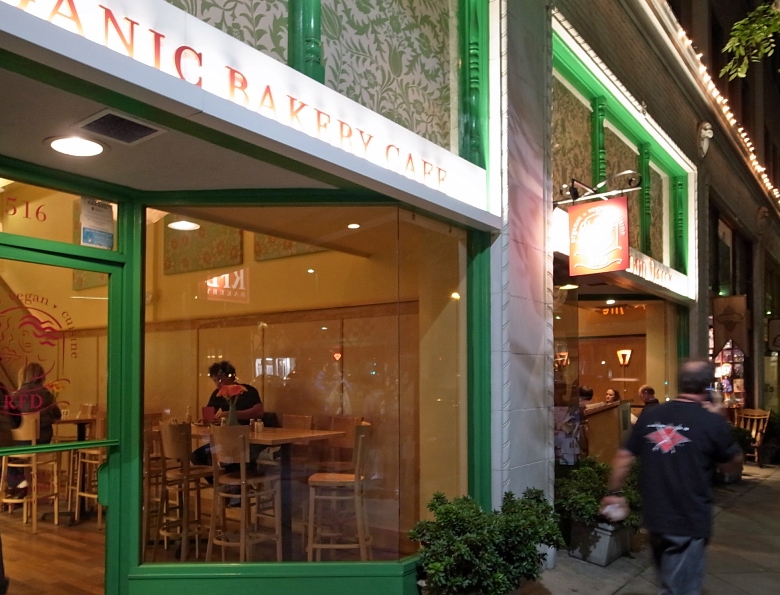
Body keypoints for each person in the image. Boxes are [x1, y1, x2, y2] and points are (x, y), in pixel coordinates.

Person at [602, 360, 742, 595]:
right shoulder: (711, 421)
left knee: (668, 579)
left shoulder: (652, 415)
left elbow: (624, 456)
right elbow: (732, 467)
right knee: (680, 589)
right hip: (689, 519)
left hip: (656, 517)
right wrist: (721, 419)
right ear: (707, 386)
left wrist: (614, 493)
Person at [191, 361, 265, 471]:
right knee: (197, 456)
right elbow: (209, 415)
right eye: (215, 380)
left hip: (248, 439)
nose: (218, 384)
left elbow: (259, 412)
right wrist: (206, 420)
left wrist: (230, 414)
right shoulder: (218, 394)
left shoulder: (246, 391)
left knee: (230, 459)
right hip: (226, 440)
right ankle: (219, 480)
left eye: (220, 379)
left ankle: (233, 480)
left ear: (230, 377)